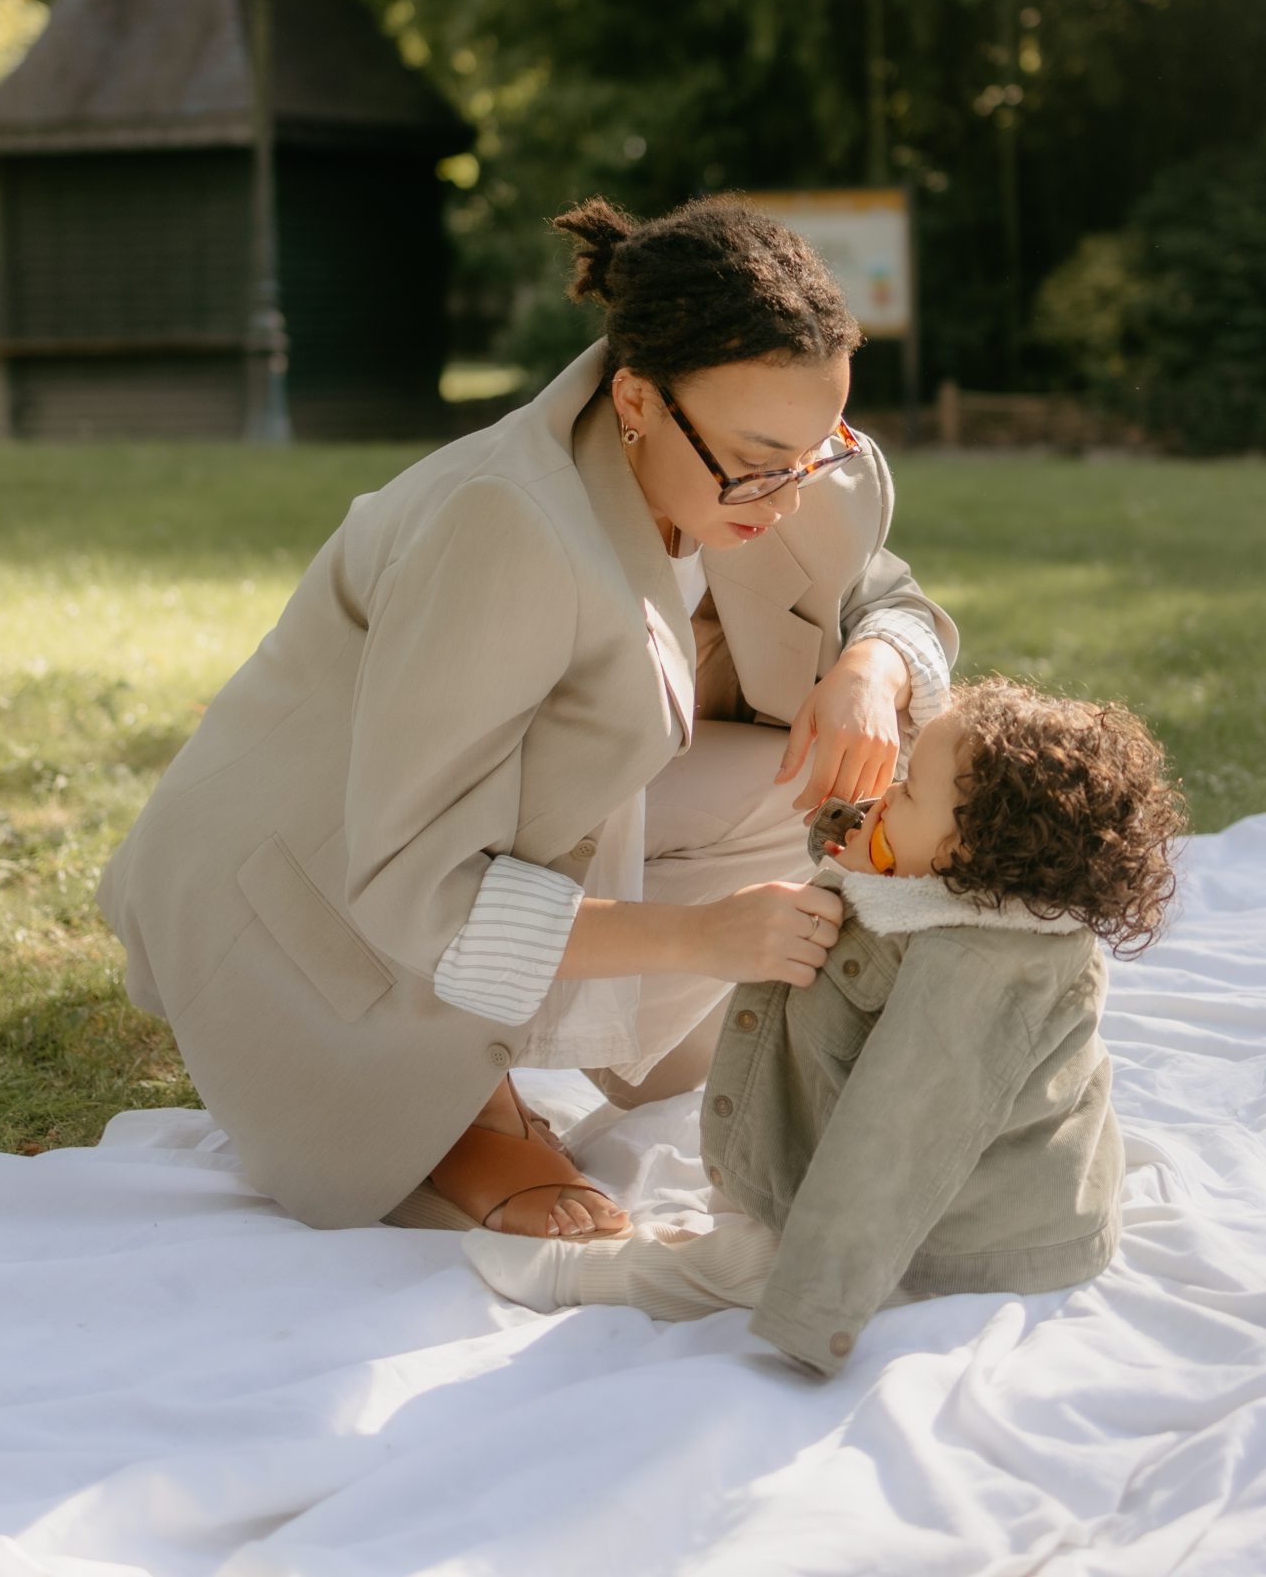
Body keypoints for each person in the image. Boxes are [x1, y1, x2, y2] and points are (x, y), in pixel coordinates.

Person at [96, 196, 957, 1239]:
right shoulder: (502, 525)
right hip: (315, 876)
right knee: (533, 922)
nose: (784, 494)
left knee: (860, 762)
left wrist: (869, 666)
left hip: (534, 810)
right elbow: (418, 885)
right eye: (760, 457)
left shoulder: (783, 462)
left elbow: (887, 596)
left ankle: (638, 1033)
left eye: (815, 450)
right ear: (635, 396)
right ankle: (458, 1108)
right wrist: (696, 936)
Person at [466, 680, 1186, 1374]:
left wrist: (815, 1313)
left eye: (905, 791)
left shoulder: (969, 978)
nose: (884, 796)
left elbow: (893, 1142)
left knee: (746, 1264)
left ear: (963, 852)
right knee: (766, 1209)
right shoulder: (938, 886)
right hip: (962, 1179)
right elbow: (861, 867)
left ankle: (599, 1277)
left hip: (953, 1227)